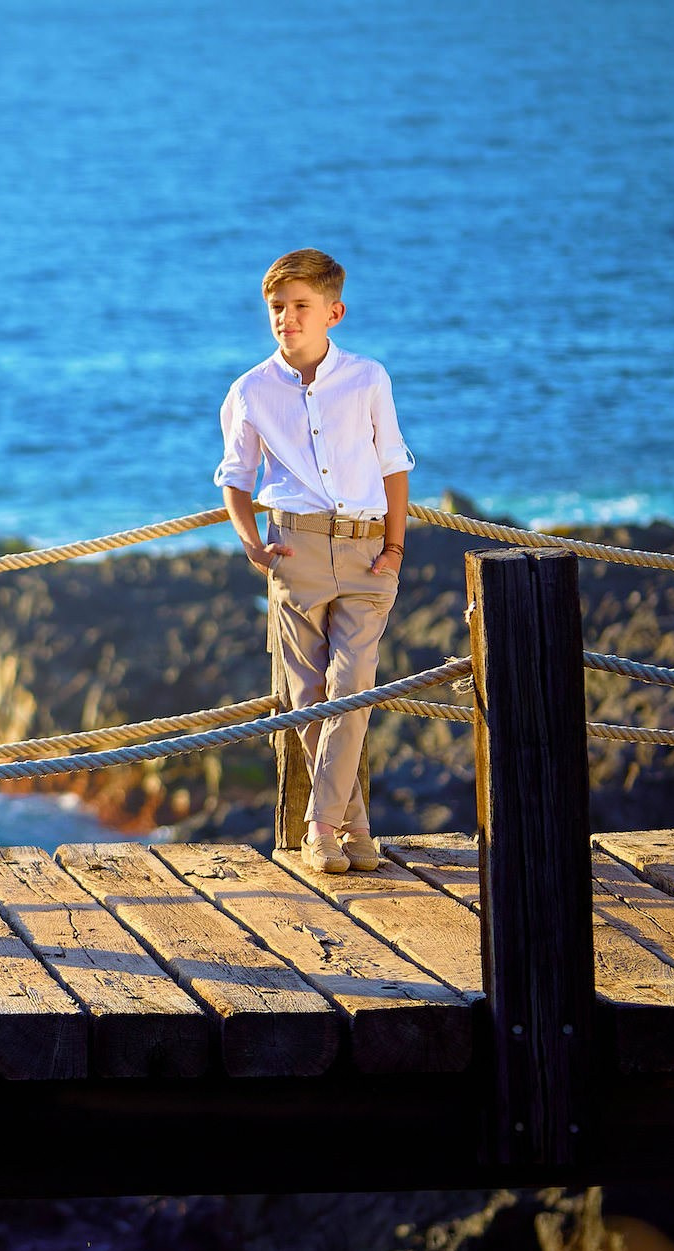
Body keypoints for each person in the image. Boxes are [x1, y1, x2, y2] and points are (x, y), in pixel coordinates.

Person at [214, 248, 413, 873]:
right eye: (277, 308)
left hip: (368, 552)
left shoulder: (368, 378)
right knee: (307, 698)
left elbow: (394, 464)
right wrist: (251, 541)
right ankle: (350, 829)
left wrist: (395, 548)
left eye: (300, 306)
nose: (287, 318)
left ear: (334, 311)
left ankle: (319, 825)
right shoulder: (249, 390)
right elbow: (235, 476)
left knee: (352, 684)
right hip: (294, 551)